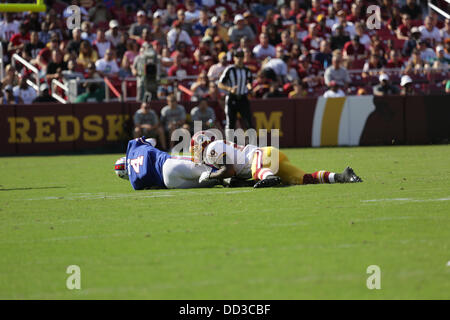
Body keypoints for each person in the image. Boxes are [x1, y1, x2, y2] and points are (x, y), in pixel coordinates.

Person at [191, 131, 363, 189]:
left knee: (258, 172)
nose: (195, 151)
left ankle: (268, 178)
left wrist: (211, 176)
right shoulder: (217, 147)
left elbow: (229, 170)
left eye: (195, 147)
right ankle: (342, 176)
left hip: (261, 156)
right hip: (266, 157)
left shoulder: (212, 149)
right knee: (305, 179)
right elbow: (233, 174)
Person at [115, 137, 219, 190]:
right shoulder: (133, 147)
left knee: (214, 182)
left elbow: (153, 187)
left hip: (169, 183)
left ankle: (225, 179)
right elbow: (153, 141)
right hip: (169, 164)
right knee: (209, 170)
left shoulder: (135, 184)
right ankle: (231, 173)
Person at [218, 49, 254, 134]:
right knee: (230, 123)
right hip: (232, 98)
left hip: (243, 98)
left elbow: (249, 82)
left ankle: (253, 145)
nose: (239, 59)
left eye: (241, 56)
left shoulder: (247, 70)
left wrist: (250, 87)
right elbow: (220, 83)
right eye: (237, 56)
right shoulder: (230, 69)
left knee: (249, 123)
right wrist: (230, 89)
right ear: (234, 58)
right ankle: (229, 145)